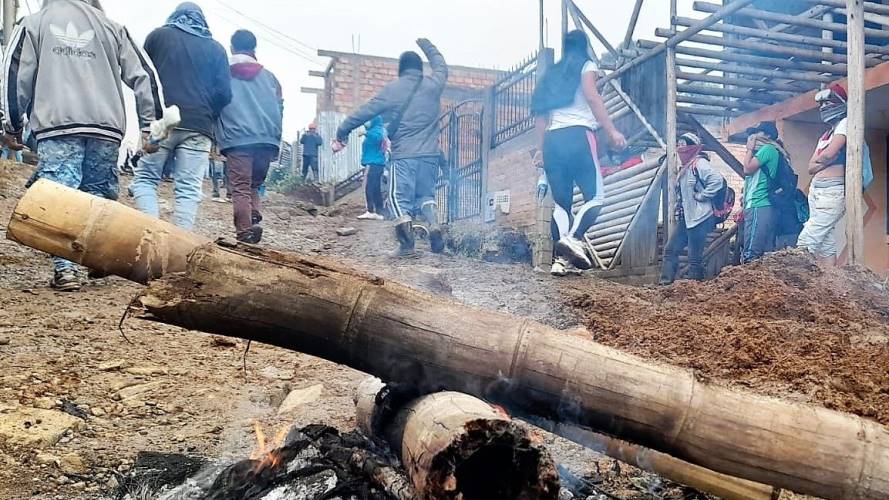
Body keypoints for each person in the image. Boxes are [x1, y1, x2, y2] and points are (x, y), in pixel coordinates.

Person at [1, 0, 164, 291]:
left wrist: (11, 124)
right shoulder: (112, 27)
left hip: (57, 124)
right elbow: (145, 74)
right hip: (106, 127)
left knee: (61, 196)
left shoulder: (35, 23)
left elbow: (16, 76)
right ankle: (96, 260)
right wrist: (152, 125)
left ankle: (66, 269)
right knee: (98, 194)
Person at [333, 38, 448, 256]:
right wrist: (428, 47)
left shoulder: (393, 90)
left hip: (404, 155)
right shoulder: (434, 85)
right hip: (430, 156)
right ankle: (434, 228)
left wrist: (342, 132)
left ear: (401, 70)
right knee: (426, 196)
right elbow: (441, 65)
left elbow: (365, 112)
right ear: (419, 68)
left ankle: (407, 246)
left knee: (397, 199)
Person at [530, 30, 627, 277]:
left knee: (562, 204)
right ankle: (574, 238)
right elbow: (593, 98)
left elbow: (540, 117)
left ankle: (560, 262)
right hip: (579, 137)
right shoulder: (586, 65)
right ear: (585, 46)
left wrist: (540, 150)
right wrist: (612, 131)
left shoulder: (551, 75)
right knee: (596, 197)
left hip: (552, 141)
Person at [130, 2, 232, 230]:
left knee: (145, 180)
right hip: (199, 126)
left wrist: (145, 118)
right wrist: (205, 110)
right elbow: (225, 93)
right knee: (188, 189)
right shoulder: (216, 49)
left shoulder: (158, 37)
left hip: (161, 121)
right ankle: (177, 248)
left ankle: (151, 237)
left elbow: (144, 77)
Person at [215, 29, 283, 243]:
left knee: (241, 187)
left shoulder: (222, 74)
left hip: (238, 139)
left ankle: (245, 232)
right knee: (253, 185)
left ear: (231, 47)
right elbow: (280, 107)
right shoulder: (270, 77)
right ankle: (253, 215)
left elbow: (215, 102)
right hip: (266, 139)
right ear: (254, 49)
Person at [658, 133, 724, 284]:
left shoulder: (699, 163)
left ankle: (695, 288)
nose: (680, 148)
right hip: (687, 217)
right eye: (679, 144)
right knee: (670, 250)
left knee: (694, 257)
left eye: (683, 144)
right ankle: (664, 284)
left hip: (700, 217)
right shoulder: (685, 167)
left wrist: (702, 195)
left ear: (692, 146)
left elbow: (717, 180)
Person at [797, 84, 851, 267]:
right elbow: (810, 167)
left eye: (828, 102)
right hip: (817, 192)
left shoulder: (846, 123)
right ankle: (831, 283)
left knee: (807, 240)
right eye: (821, 104)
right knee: (825, 243)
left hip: (833, 191)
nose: (823, 107)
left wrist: (823, 159)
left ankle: (792, 279)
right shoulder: (826, 134)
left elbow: (827, 155)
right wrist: (825, 159)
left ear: (839, 103)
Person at [741, 121, 786, 262]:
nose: (753, 137)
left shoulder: (768, 149)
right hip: (756, 204)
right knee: (759, 251)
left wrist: (749, 149)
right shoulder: (767, 151)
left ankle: (749, 282)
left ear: (767, 135)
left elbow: (747, 169)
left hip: (760, 203)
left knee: (751, 251)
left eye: (757, 133)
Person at [358, 115, 387, 220]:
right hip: (376, 162)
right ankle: (379, 211)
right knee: (375, 188)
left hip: (373, 162)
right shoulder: (377, 130)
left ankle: (370, 210)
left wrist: (366, 133)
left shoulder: (377, 130)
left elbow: (377, 137)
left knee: (368, 187)